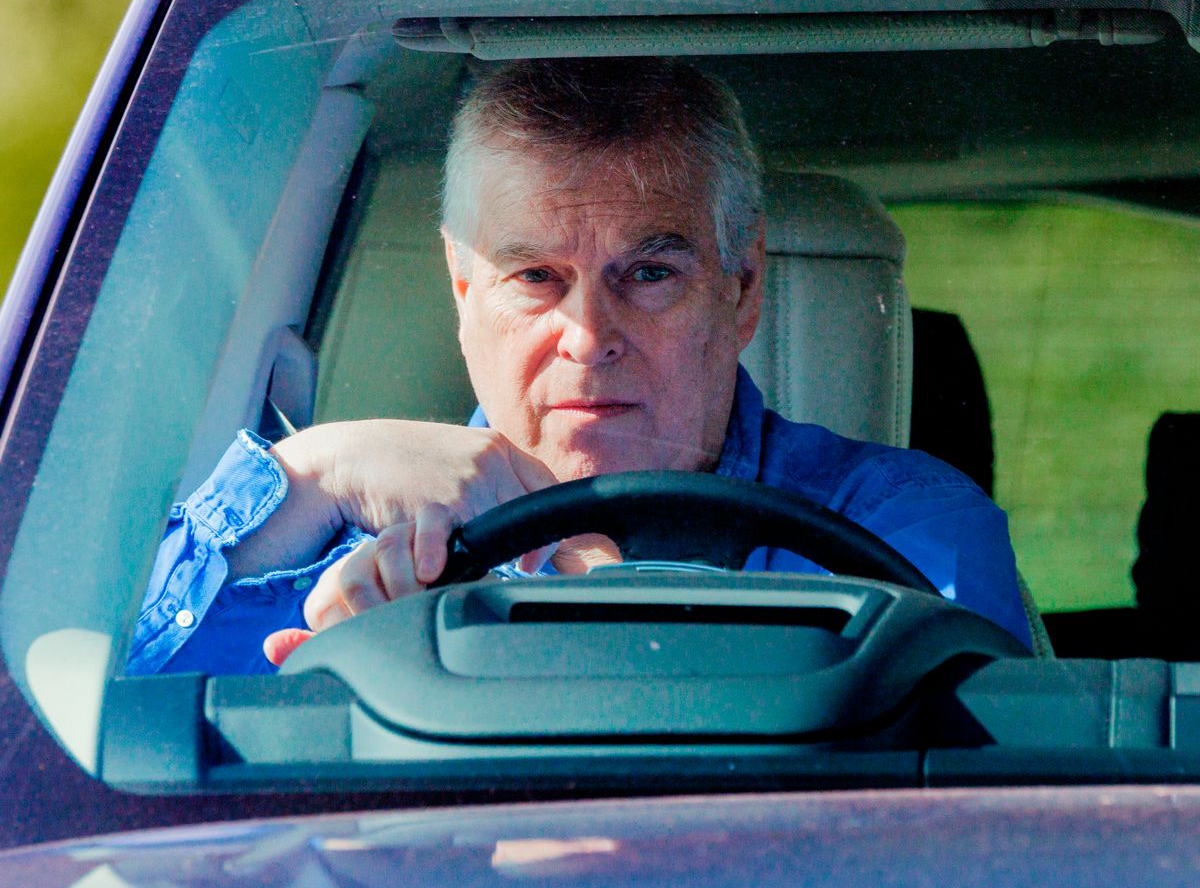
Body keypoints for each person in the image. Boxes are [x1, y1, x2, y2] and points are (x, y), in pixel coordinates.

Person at [128, 58, 1030, 677]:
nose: (589, 335)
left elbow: (965, 813)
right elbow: (84, 733)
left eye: (650, 273)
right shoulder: (338, 555)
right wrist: (313, 471)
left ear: (743, 288)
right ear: (462, 291)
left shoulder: (901, 533)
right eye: (535, 277)